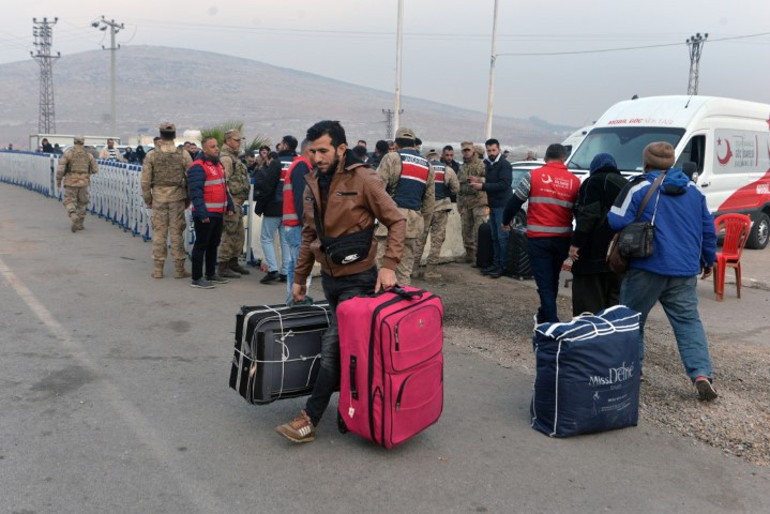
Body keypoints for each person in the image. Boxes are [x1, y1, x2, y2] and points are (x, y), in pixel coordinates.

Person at [275, 120, 405, 443]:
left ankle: (309, 419)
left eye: (323, 151)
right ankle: (351, 410)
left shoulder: (364, 179)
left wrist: (389, 266)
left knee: (332, 348)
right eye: (312, 151)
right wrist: (300, 278)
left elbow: (397, 220)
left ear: (341, 149)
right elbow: (309, 234)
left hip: (359, 281)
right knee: (350, 350)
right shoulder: (311, 182)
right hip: (330, 281)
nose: (316, 157)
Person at [608, 142, 718, 401]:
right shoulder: (693, 190)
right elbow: (708, 229)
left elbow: (615, 220)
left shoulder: (638, 186)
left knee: (632, 320)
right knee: (688, 322)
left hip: (647, 266)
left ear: (646, 162)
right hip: (684, 269)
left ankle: (633, 371)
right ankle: (701, 374)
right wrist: (708, 260)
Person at [502, 143, 579, 322]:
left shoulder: (533, 176)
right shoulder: (574, 181)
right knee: (552, 281)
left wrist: (506, 221)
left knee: (544, 283)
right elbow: (578, 212)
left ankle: (552, 323)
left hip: (538, 239)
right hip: (562, 239)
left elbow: (515, 202)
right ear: (563, 159)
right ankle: (544, 315)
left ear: (545, 158)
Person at [568, 153, 628, 315]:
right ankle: (612, 330)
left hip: (593, 254)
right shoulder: (626, 184)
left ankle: (591, 330)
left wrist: (576, 243)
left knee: (589, 304)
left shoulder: (593, 182)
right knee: (614, 303)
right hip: (619, 254)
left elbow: (588, 215)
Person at [375, 126, 435, 285]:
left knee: (382, 270)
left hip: (390, 221)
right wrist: (423, 225)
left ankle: (383, 300)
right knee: (404, 272)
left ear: (396, 143)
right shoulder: (427, 166)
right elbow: (429, 203)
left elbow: (376, 190)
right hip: (413, 223)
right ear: (414, 143)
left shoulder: (391, 158)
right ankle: (402, 299)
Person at [141, 122, 193, 279]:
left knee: (159, 233)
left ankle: (158, 269)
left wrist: (148, 198)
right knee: (177, 233)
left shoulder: (152, 155)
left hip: (158, 198)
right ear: (174, 135)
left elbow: (145, 181)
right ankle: (179, 269)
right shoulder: (183, 154)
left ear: (160, 135)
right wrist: (188, 197)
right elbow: (191, 177)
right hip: (177, 198)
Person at [187, 136, 234, 289]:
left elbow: (223, 187)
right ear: (205, 149)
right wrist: (202, 213)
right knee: (201, 245)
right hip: (206, 214)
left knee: (213, 244)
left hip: (217, 212)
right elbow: (195, 192)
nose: (216, 149)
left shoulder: (218, 165)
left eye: (216, 146)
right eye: (212, 147)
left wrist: (230, 205)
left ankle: (210, 273)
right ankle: (196, 278)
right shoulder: (198, 166)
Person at [413, 150, 460, 280]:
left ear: (427, 158)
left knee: (420, 239)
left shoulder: (423, 168)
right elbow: (456, 189)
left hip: (425, 209)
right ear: (439, 158)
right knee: (437, 240)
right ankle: (430, 271)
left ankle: (413, 269)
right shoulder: (447, 170)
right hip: (441, 208)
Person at [257, 136, 297, 284]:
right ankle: (285, 272)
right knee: (285, 241)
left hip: (274, 206)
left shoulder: (277, 162)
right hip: (290, 209)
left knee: (266, 238)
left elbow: (268, 186)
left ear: (285, 145)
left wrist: (259, 207)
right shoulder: (299, 162)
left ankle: (272, 269)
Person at [470, 138, 512, 278]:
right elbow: (491, 181)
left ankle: (503, 266)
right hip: (493, 204)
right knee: (494, 236)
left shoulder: (505, 165)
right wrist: (479, 181)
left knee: (502, 237)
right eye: (489, 151)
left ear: (499, 149)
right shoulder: (488, 164)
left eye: (494, 150)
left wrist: (482, 186)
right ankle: (496, 263)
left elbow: (503, 185)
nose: (491, 153)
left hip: (503, 205)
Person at [217, 129, 252, 279]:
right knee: (230, 233)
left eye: (239, 140)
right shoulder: (226, 159)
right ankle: (223, 265)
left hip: (238, 202)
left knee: (238, 234)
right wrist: (229, 203)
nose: (239, 143)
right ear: (228, 140)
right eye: (236, 140)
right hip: (232, 202)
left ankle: (233, 261)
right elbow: (223, 183)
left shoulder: (234, 158)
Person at [282, 138, 313, 302]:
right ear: (309, 151)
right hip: (298, 225)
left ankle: (292, 299)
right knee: (301, 265)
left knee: (294, 264)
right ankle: (297, 300)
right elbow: (303, 199)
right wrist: (307, 224)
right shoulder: (302, 166)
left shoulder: (298, 165)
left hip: (292, 224)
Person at [55, 136, 99, 232]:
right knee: (82, 203)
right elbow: (95, 169)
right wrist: (86, 173)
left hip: (71, 182)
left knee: (69, 201)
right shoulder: (88, 155)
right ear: (83, 143)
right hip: (84, 183)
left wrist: (58, 180)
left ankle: (73, 215)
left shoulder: (68, 154)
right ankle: (80, 223)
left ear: (74, 142)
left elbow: (60, 169)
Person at [456, 141, 487, 264]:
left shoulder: (481, 165)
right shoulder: (462, 167)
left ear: (473, 151)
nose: (466, 153)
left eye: (468, 150)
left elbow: (490, 179)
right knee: (466, 230)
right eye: (464, 150)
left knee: (479, 230)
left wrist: (479, 179)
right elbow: (459, 187)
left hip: (479, 201)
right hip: (466, 202)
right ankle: (469, 255)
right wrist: (459, 204)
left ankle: (481, 257)